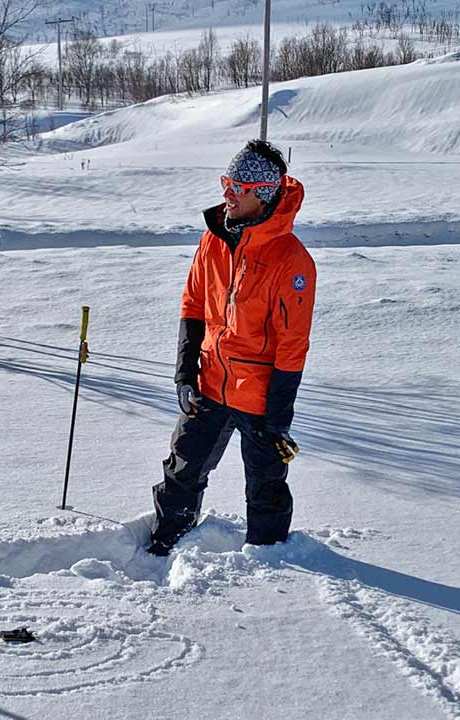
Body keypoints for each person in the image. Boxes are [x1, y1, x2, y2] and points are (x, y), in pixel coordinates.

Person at [148, 139, 316, 556]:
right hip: (209, 381)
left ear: (262, 196)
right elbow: (193, 304)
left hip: (259, 395)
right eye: (226, 182)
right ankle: (164, 544)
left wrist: (277, 418)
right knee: (182, 468)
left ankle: (270, 560)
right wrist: (185, 374)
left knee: (265, 484)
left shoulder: (291, 260)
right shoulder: (214, 239)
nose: (227, 193)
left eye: (238, 187)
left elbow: (292, 345)